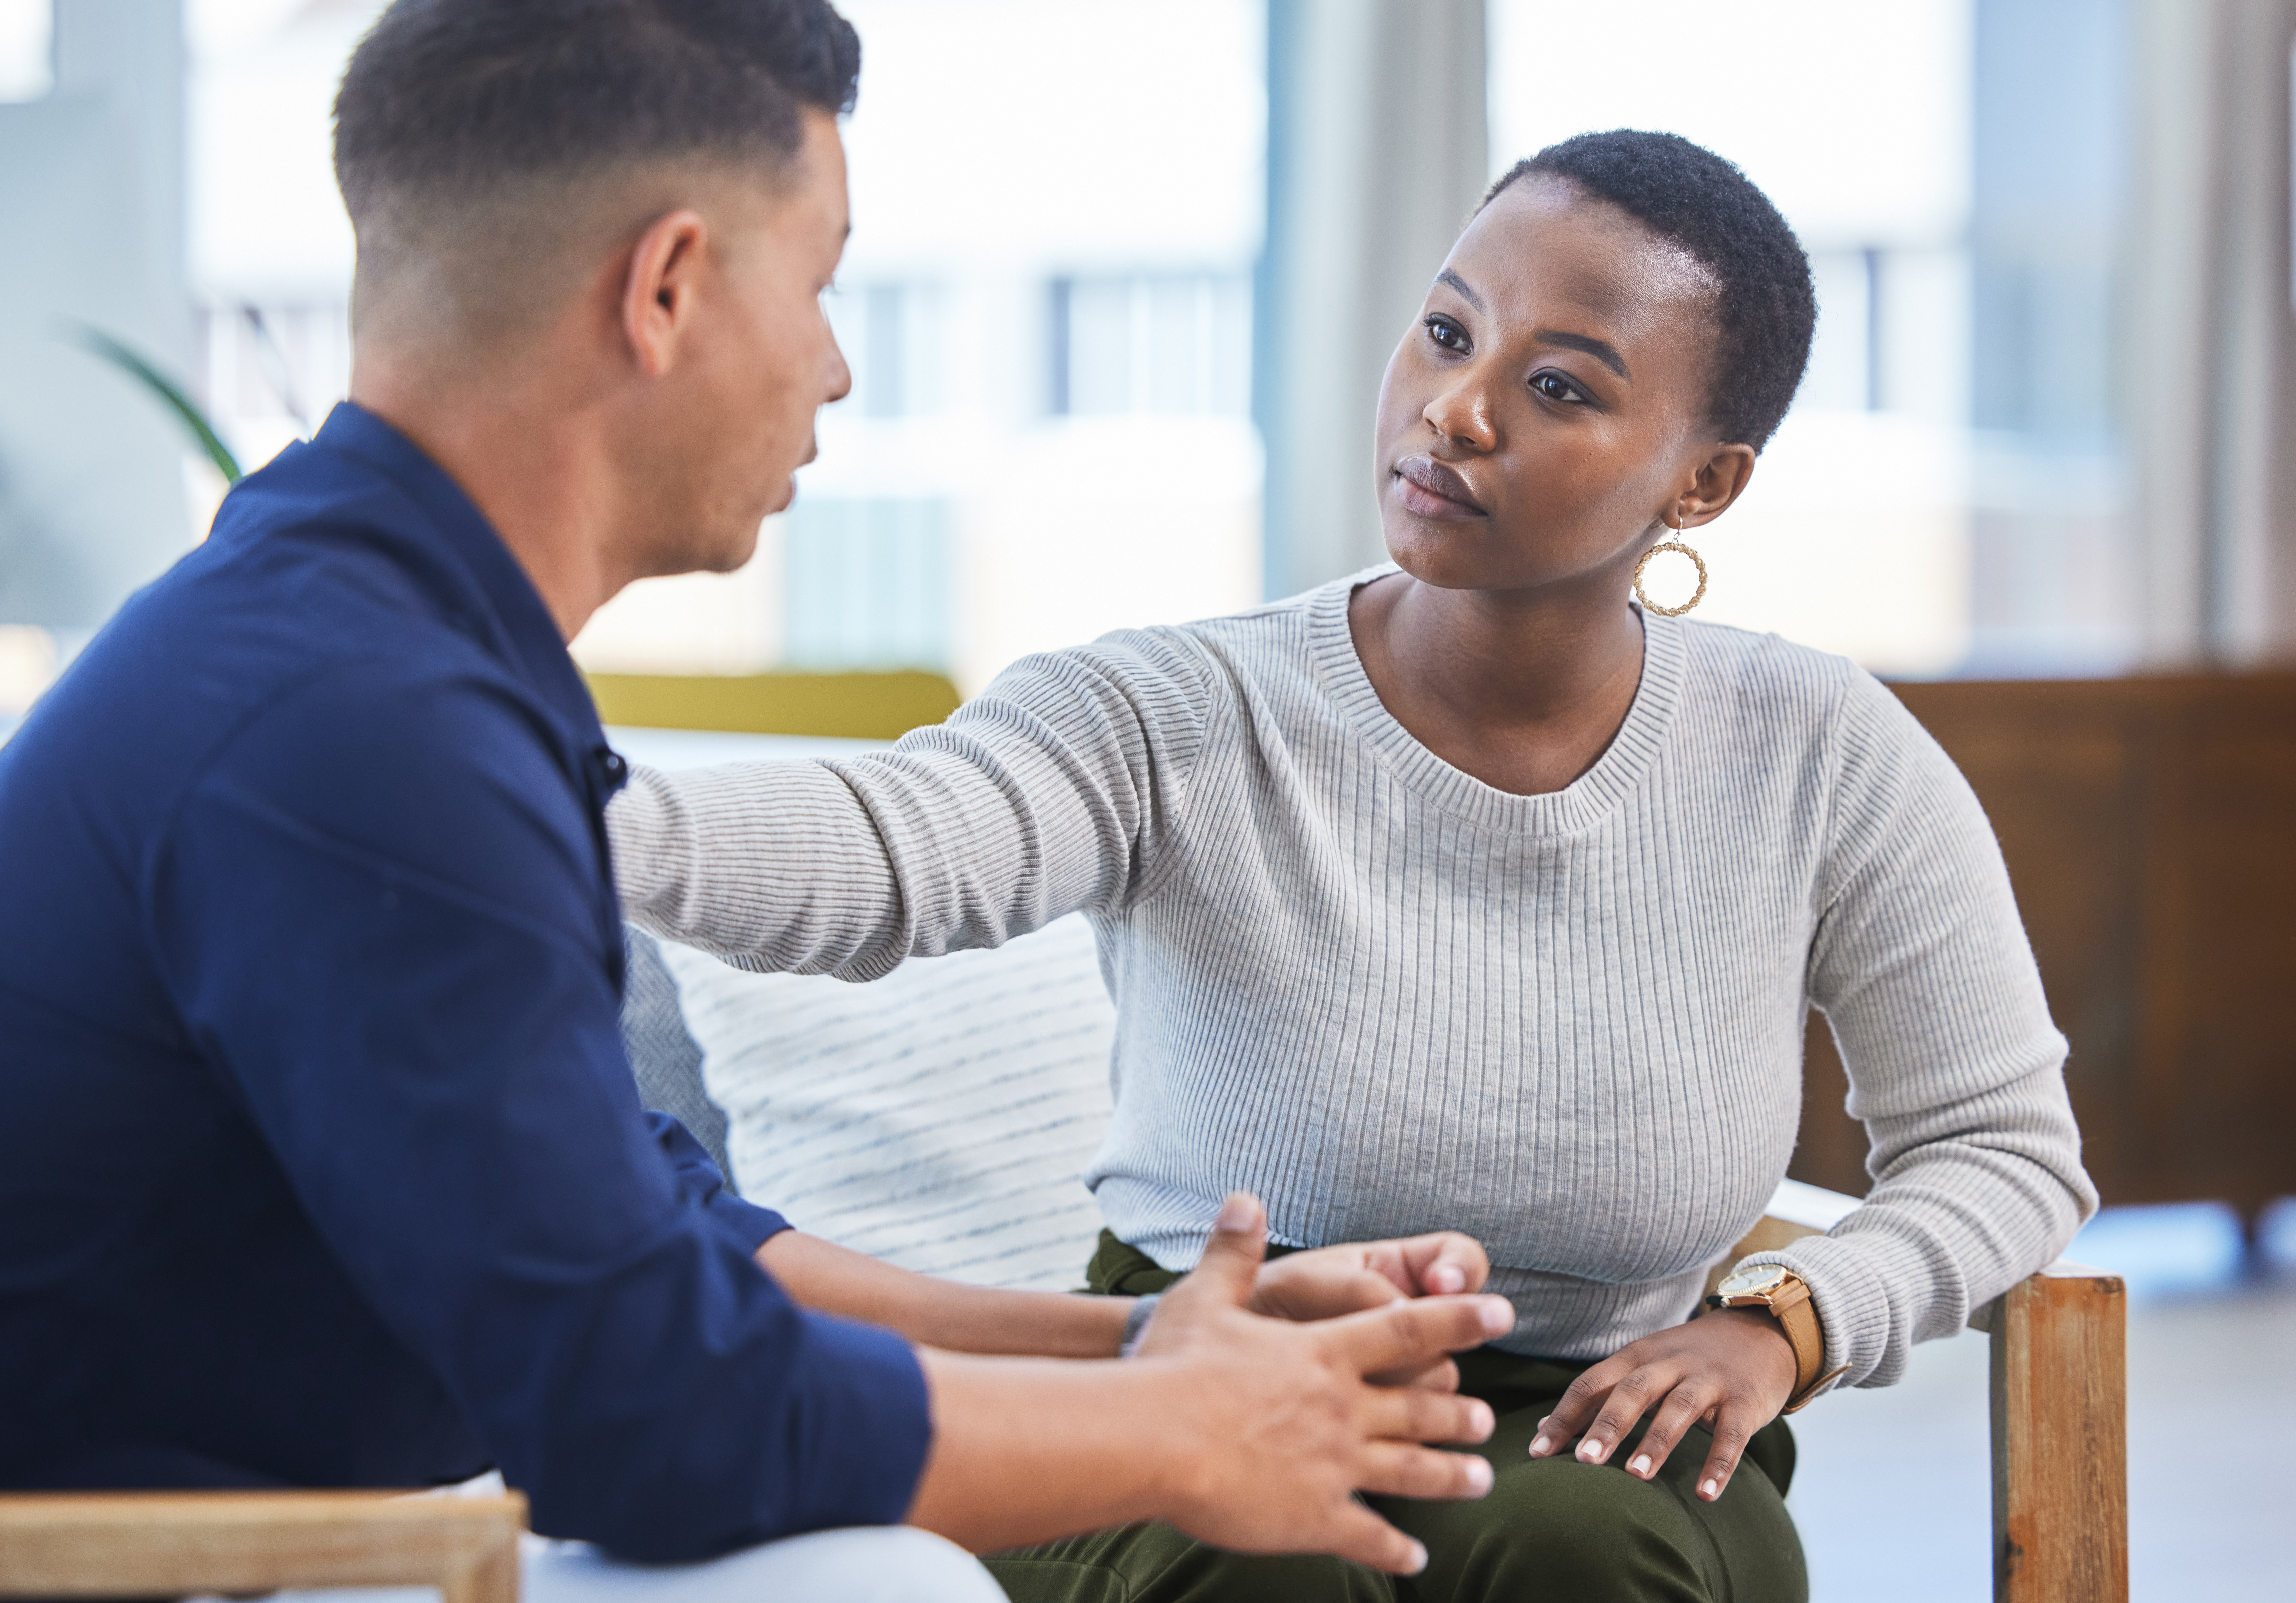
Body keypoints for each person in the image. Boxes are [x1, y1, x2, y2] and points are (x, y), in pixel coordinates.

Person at [0, 2, 1528, 1597]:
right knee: (879, 1584)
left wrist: (1136, 1346)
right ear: (662, 291)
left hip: (250, 1534)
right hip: (109, 1565)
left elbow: (662, 1238)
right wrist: (1190, 1436)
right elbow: (648, 1421)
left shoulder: (365, 639)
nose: (836, 365)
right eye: (816, 284)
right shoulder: (355, 724)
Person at [612, 130, 2100, 1601]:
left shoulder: (1818, 748)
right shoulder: (1175, 708)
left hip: (1594, 1414)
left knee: (1592, 1552)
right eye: (1447, 332)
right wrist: (547, 806)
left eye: (1557, 386)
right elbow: (897, 846)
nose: (1453, 410)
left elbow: (2002, 1144)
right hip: (1202, 1362)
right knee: (1270, 1570)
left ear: (1700, 484)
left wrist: (1785, 1324)